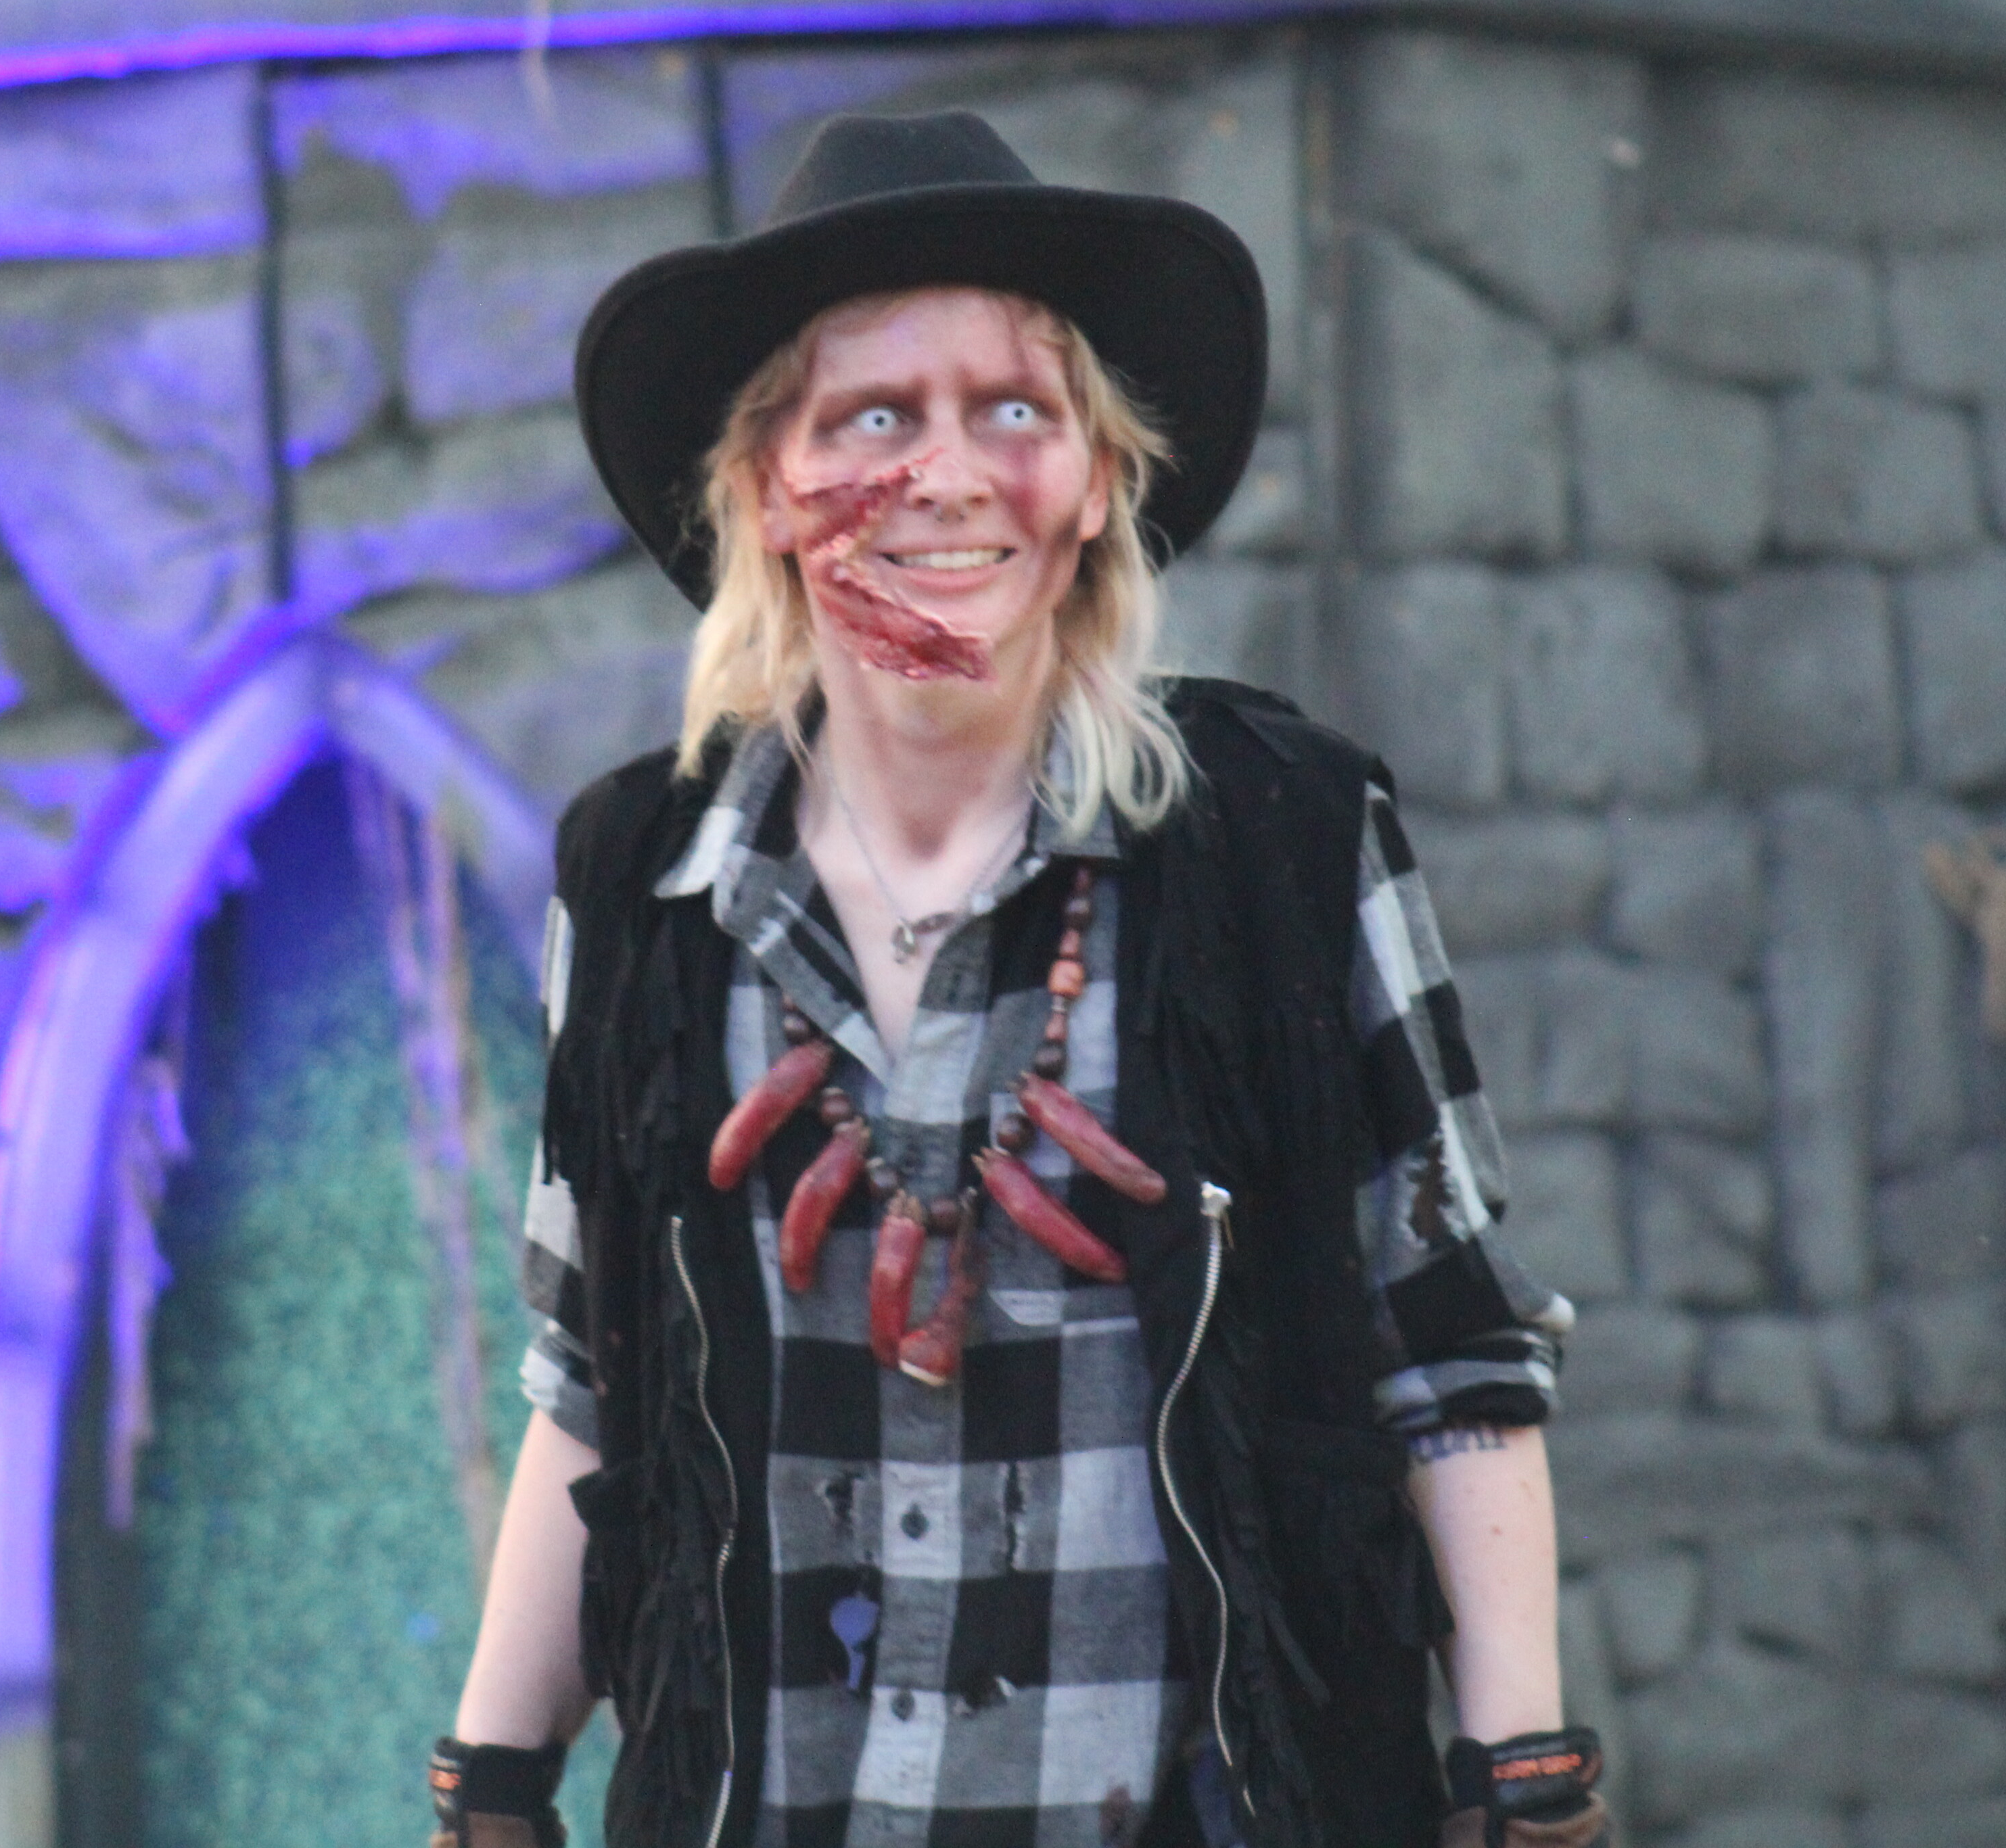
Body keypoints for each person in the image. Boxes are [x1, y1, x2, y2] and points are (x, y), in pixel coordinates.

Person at [431, 115, 1611, 1848]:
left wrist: (1526, 1782)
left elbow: (1453, 1353)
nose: (947, 473)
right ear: (765, 491)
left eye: (1012, 411)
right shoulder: (640, 885)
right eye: (871, 418)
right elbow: (588, 1384)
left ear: (1098, 482)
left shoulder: (1285, 842)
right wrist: (492, 1784)